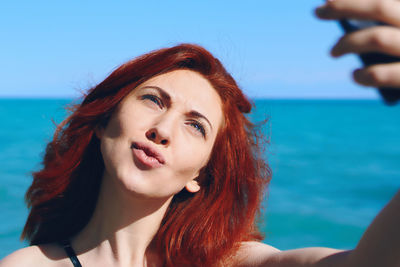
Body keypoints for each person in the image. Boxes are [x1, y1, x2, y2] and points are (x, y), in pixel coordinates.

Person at [1, 0, 400, 266]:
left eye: (195, 125)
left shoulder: (229, 262)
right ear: (105, 120)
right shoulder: (31, 265)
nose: (162, 130)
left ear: (200, 175)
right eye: (154, 100)